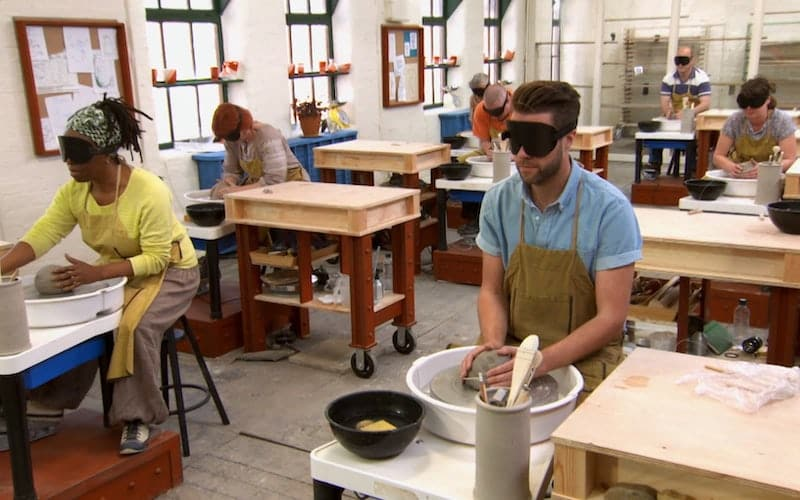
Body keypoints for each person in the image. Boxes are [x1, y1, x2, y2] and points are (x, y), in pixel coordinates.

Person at [0, 97, 200, 455]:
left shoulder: (148, 190)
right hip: (115, 269)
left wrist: (96, 273)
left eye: (77, 153)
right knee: (77, 317)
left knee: (134, 326)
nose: (68, 162)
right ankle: (45, 405)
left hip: (172, 271)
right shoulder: (75, 192)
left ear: (105, 153)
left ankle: (137, 418)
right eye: (66, 151)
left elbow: (155, 259)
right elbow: (44, 233)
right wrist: (4, 264)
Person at [459, 80, 642, 400]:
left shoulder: (609, 210)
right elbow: (492, 290)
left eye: (537, 141)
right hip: (512, 346)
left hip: (585, 356)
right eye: (516, 139)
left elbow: (611, 318)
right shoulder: (498, 201)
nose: (523, 154)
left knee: (571, 440)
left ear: (568, 139)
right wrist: (493, 344)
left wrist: (541, 361)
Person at [209, 103, 309, 199]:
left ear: (244, 127)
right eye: (227, 138)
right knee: (216, 192)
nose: (229, 141)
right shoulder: (231, 141)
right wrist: (229, 183)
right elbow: (231, 171)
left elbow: (275, 180)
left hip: (289, 184)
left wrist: (238, 191)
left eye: (233, 137)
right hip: (259, 186)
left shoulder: (268, 137)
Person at [712, 76, 797, 178]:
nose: (749, 109)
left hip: (771, 179)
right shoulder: (735, 121)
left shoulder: (781, 121)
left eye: (755, 104)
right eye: (744, 105)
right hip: (741, 177)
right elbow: (718, 156)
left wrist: (767, 168)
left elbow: (790, 159)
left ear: (767, 100)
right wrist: (730, 167)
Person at [649, 46, 712, 170]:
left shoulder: (701, 78)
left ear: (692, 60)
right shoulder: (668, 79)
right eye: (678, 60)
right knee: (656, 130)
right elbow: (664, 102)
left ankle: (693, 169)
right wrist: (668, 112)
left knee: (698, 137)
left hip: (694, 119)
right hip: (675, 118)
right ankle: (654, 166)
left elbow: (705, 103)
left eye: (684, 60)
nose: (680, 64)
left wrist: (689, 113)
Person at [472, 83, 513, 158]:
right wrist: (490, 151)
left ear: (508, 100)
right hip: (496, 151)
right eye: (490, 112)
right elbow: (484, 141)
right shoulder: (480, 111)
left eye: (498, 112)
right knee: (462, 160)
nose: (493, 116)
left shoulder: (521, 107)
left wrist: (513, 156)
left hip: (519, 152)